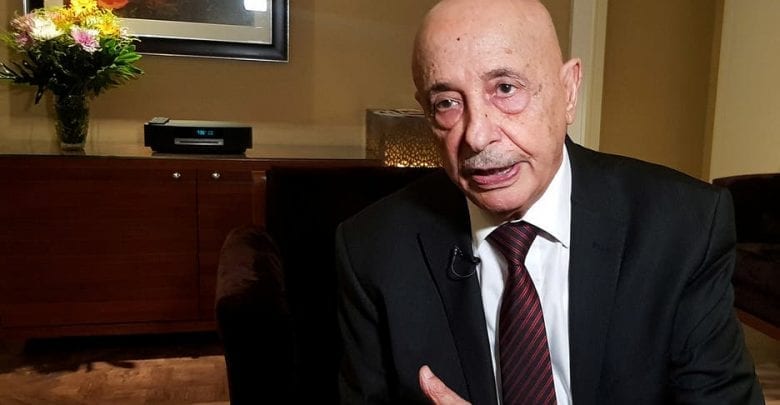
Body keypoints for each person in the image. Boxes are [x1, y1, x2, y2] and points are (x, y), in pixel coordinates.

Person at [335, 0, 764, 403]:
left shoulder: (684, 227)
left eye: (506, 88)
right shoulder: (372, 249)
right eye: (446, 103)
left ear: (569, 90)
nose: (477, 136)